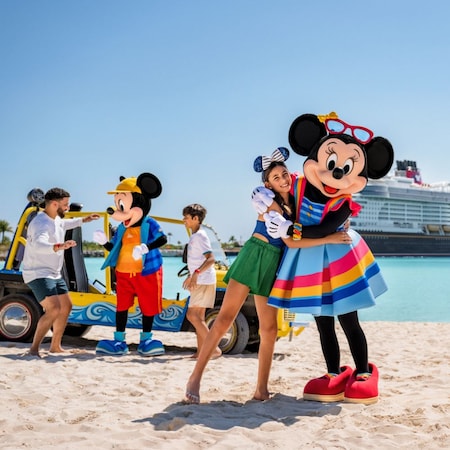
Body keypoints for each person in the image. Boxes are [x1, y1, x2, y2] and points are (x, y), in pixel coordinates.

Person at [184, 148, 351, 404]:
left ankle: (261, 389)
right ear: (267, 184)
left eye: (284, 174)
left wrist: (339, 224)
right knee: (225, 319)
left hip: (274, 263)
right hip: (255, 255)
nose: (283, 179)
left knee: (270, 329)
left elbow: (311, 221)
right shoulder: (269, 203)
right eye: (276, 177)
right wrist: (328, 237)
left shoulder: (296, 202)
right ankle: (195, 378)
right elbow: (293, 242)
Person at [21, 187, 100, 357]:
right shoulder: (40, 223)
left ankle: (55, 346)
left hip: (54, 273)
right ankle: (34, 349)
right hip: (38, 273)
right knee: (54, 309)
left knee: (66, 306)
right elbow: (39, 245)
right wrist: (59, 246)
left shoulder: (54, 218)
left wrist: (84, 220)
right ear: (54, 204)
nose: (67, 207)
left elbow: (64, 223)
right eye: (65, 204)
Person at [182, 204, 221, 359]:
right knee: (200, 318)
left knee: (192, 316)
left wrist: (196, 274)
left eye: (186, 217)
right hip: (202, 279)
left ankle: (215, 348)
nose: (183, 220)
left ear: (195, 219)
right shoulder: (196, 236)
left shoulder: (200, 236)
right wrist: (191, 274)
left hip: (203, 281)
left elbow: (211, 259)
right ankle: (201, 352)